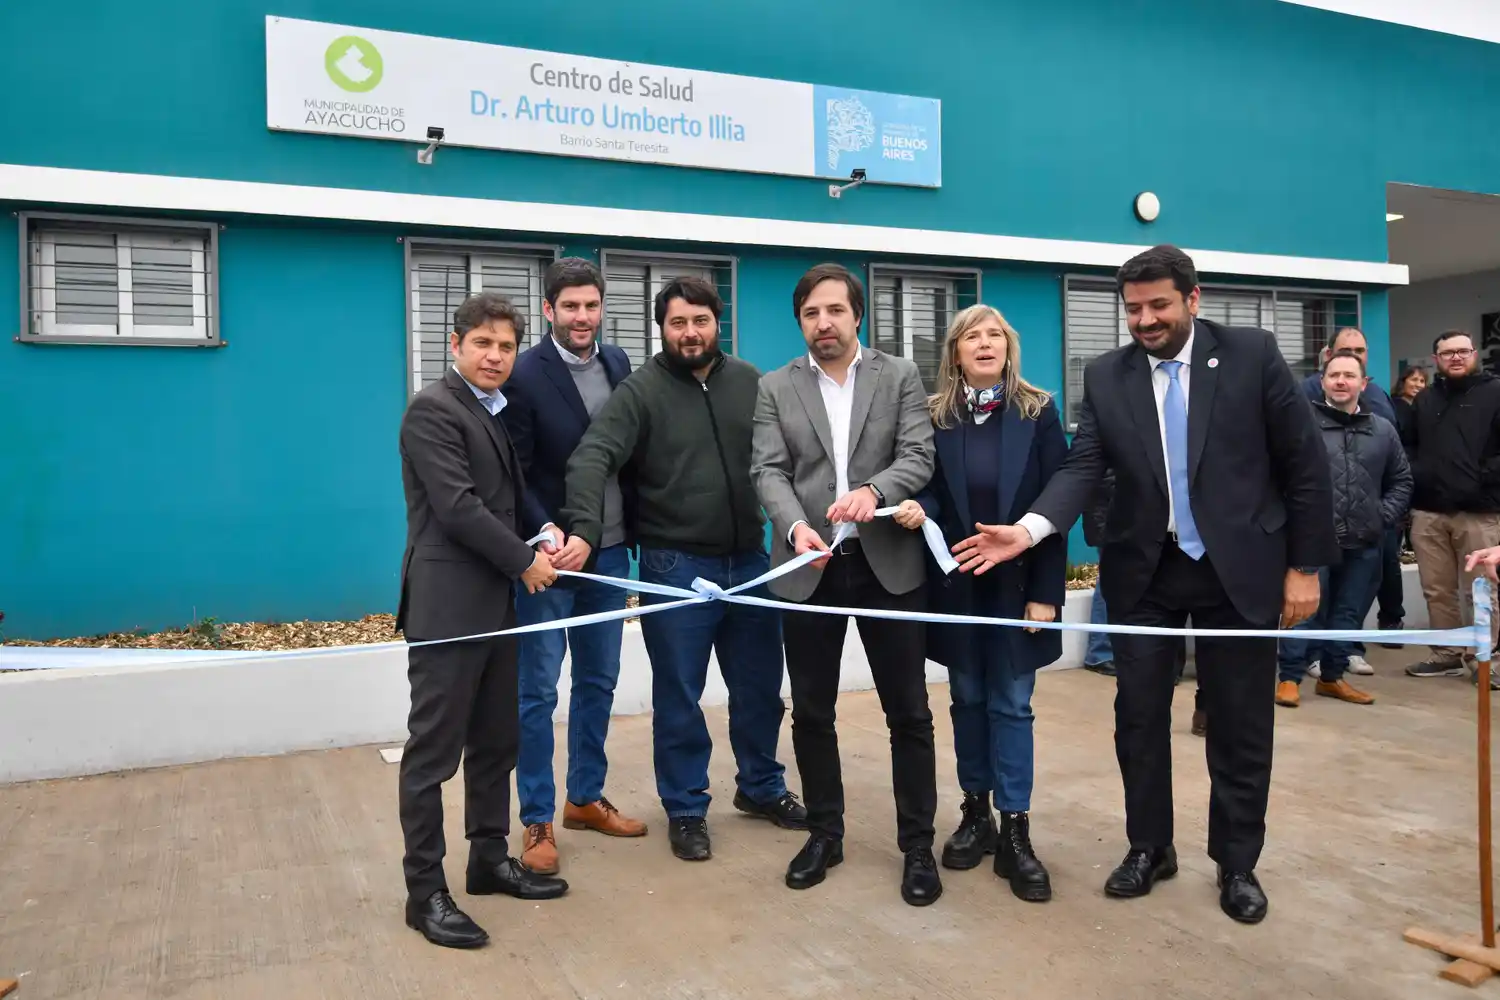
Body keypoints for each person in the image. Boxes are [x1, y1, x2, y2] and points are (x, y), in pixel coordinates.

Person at [957, 244, 1336, 924]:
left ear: (1193, 299)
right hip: (1146, 573)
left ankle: (1237, 864)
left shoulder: (1251, 354)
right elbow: (1083, 467)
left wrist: (1304, 567)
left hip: (1239, 572)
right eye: (1132, 309)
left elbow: (1303, 463)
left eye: (1158, 305)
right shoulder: (1107, 375)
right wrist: (1031, 529)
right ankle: (1149, 847)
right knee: (1137, 721)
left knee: (1240, 725)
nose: (1144, 320)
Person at [559, 275, 806, 862]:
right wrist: (584, 530)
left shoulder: (751, 382)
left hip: (750, 562)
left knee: (759, 689)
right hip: (675, 566)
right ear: (661, 328)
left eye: (700, 321)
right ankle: (687, 807)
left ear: (718, 322)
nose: (690, 333)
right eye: (677, 323)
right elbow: (592, 457)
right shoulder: (641, 391)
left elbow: (793, 456)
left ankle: (762, 786)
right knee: (679, 696)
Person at [749, 262, 941, 905]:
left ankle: (917, 845)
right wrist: (795, 526)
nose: (823, 323)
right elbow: (768, 469)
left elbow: (919, 454)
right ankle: (825, 834)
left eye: (835, 310)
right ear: (800, 321)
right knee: (811, 711)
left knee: (908, 712)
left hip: (888, 563)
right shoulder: (777, 386)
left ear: (858, 315)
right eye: (811, 313)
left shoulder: (901, 375)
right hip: (812, 566)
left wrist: (873, 491)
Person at [395, 292, 568, 950]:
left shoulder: (489, 411)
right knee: (432, 757)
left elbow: (507, 497)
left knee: (497, 743)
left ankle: (489, 861)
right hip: (448, 610)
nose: (495, 356)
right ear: (455, 346)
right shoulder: (432, 411)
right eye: (483, 344)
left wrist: (543, 530)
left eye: (505, 346)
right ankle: (424, 893)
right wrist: (524, 560)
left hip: (494, 609)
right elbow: (460, 508)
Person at [894, 304, 1065, 902]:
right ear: (955, 352)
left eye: (996, 333)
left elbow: (1055, 504)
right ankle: (976, 814)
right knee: (967, 701)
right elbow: (937, 495)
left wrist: (1047, 593)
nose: (985, 343)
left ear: (1008, 347)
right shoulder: (936, 416)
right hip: (961, 585)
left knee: (1012, 705)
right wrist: (923, 512)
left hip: (1019, 590)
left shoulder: (1038, 411)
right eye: (973, 336)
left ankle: (1016, 829)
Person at [501, 257, 646, 876]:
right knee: (536, 690)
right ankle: (536, 819)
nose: (582, 317)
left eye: (591, 306)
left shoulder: (617, 363)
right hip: (551, 558)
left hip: (609, 553)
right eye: (570, 307)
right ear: (549, 311)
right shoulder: (526, 374)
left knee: (598, 681)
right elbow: (516, 466)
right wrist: (546, 532)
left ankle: (583, 797)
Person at [1275, 349, 1411, 708]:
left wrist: (1381, 517)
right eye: (1334, 375)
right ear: (1322, 382)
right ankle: (1288, 677)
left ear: (1363, 383)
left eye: (1349, 376)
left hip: (1364, 541)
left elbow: (1401, 480)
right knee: (1303, 613)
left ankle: (1332, 678)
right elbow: (1279, 479)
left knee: (1347, 615)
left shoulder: (1382, 430)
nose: (1341, 381)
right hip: (1311, 541)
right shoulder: (1301, 427)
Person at [1404, 331, 1500, 685]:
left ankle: (1483, 659)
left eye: (1463, 351)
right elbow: (1409, 446)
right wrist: (1420, 477)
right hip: (1429, 512)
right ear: (1436, 360)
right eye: (1447, 353)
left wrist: (1476, 479)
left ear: (1474, 354)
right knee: (1437, 588)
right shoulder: (1426, 398)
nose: (1456, 358)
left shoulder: (1494, 392)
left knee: (1481, 588)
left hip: (1479, 511)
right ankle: (1445, 653)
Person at [1300, 327, 1399, 665]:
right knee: (1317, 596)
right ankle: (1307, 661)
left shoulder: (1380, 401)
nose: (1344, 377)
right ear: (1326, 362)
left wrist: (1382, 513)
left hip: (1367, 525)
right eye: (1345, 351)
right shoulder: (1304, 403)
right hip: (1319, 529)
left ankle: (1346, 654)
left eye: (1360, 351)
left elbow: (1398, 469)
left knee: (1355, 597)